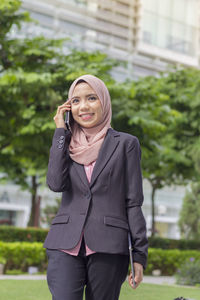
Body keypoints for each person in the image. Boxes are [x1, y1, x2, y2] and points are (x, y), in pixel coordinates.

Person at [44, 74, 148, 300]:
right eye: (76, 101)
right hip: (64, 243)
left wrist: (139, 256)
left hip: (109, 245)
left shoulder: (126, 144)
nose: (84, 106)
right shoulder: (65, 142)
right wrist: (61, 131)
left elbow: (133, 202)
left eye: (91, 98)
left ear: (104, 101)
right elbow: (55, 183)